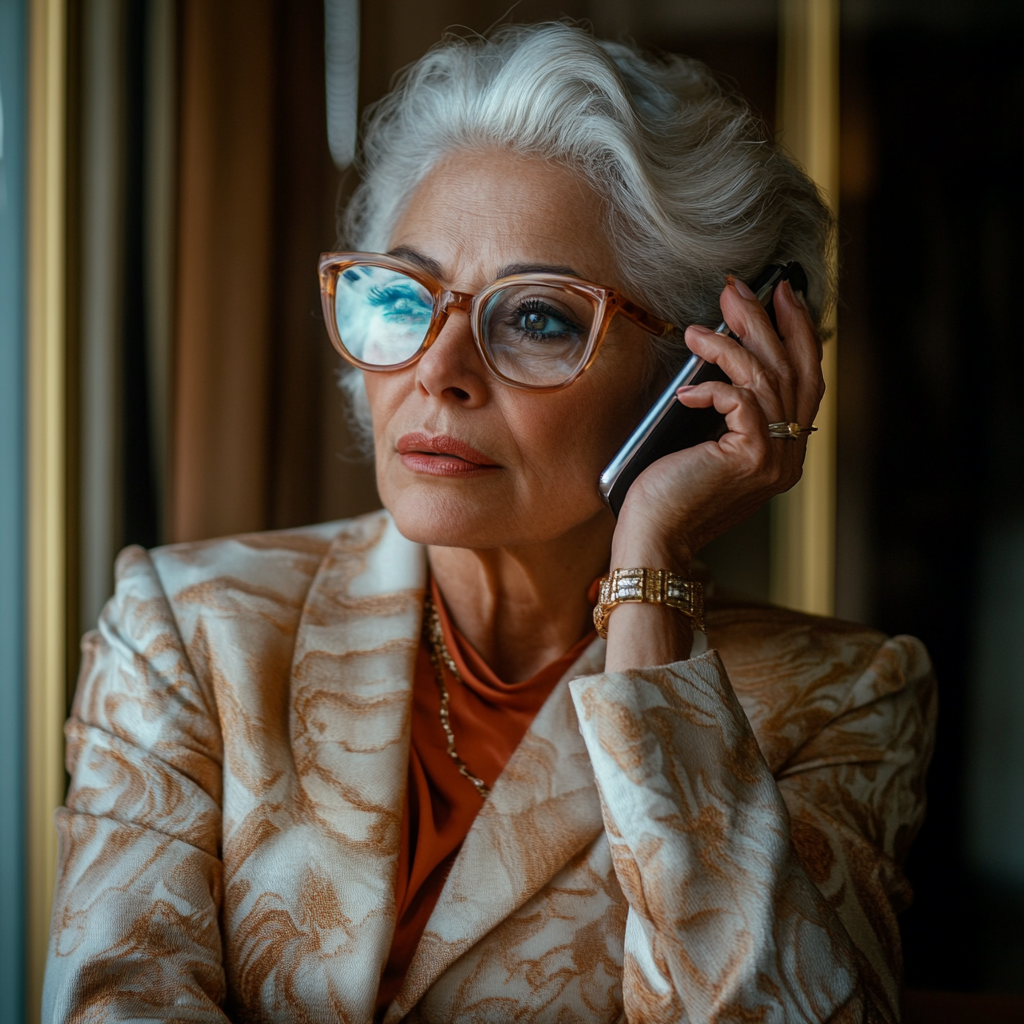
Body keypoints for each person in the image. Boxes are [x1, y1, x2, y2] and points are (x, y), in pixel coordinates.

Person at [44, 23, 935, 1023]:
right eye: (403, 296)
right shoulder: (188, 629)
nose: (436, 368)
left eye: (539, 316)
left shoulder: (844, 702)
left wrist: (649, 576)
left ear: (696, 377)